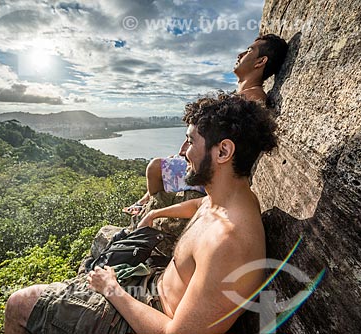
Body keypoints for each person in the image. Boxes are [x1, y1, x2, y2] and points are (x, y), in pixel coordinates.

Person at [4, 93, 278, 333]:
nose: (183, 152)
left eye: (190, 141)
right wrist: (155, 215)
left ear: (223, 151)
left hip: (148, 317)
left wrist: (112, 289)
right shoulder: (229, 199)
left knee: (20, 304)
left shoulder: (230, 242)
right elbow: (201, 206)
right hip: (149, 286)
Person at [123, 33, 287, 216]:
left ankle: (148, 204)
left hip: (214, 170)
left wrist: (196, 160)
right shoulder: (242, 95)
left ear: (260, 61)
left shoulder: (253, 98)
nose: (240, 55)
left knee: (154, 167)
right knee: (164, 163)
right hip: (210, 160)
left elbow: (235, 146)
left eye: (249, 51)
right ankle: (147, 200)